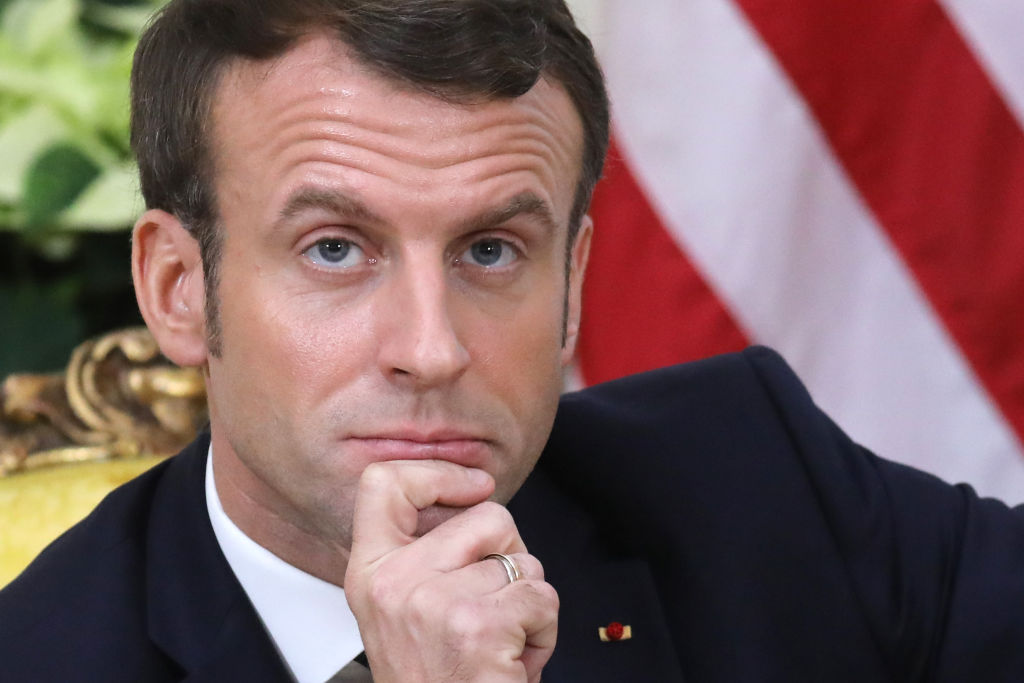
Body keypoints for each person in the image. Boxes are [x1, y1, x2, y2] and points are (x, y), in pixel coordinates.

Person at [2, 1, 1024, 681]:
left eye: (490, 249)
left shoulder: (754, 480)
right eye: (334, 248)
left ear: (572, 283)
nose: (432, 347)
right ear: (178, 289)